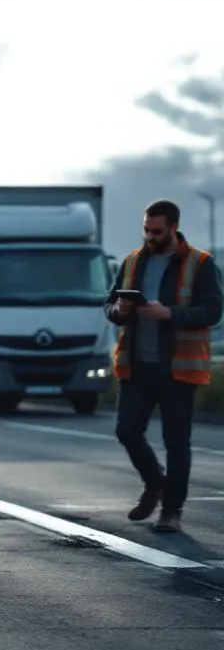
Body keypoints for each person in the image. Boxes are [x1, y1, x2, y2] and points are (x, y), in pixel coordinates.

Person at [106, 199, 222, 533]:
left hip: (177, 370)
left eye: (156, 231)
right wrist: (121, 310)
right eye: (146, 229)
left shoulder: (199, 263)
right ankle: (155, 483)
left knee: (176, 443)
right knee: (126, 431)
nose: (150, 236)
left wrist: (169, 313)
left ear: (173, 227)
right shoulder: (132, 260)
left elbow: (213, 311)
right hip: (136, 366)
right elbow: (109, 303)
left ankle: (171, 511)